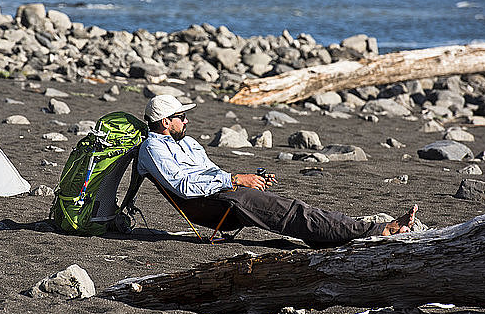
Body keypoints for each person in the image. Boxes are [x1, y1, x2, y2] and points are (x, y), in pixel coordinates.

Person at [137, 94, 418, 248]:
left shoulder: (188, 143)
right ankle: (378, 230)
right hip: (209, 206)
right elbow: (183, 187)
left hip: (224, 195)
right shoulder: (153, 149)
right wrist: (235, 180)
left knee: (293, 210)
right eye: (181, 116)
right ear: (165, 121)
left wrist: (247, 179)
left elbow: (211, 173)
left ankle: (348, 236)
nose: (188, 120)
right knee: (291, 212)